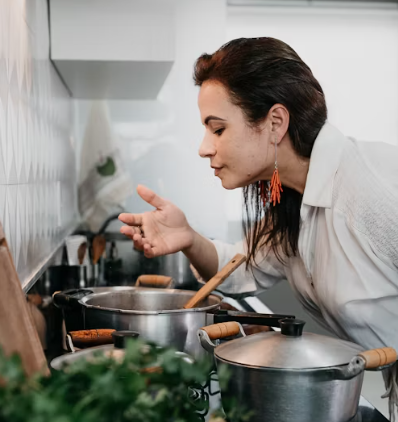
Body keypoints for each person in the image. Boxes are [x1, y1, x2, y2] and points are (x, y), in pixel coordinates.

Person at [119, 37, 398, 417]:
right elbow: (239, 267)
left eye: (217, 129)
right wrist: (187, 238)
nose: (204, 147)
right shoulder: (293, 201)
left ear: (275, 123)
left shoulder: (374, 187)